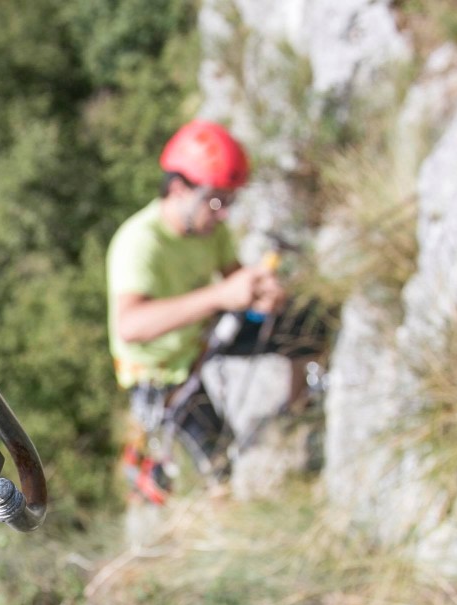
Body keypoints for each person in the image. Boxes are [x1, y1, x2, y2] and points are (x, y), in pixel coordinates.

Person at [106, 120, 323, 504]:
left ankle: (296, 415)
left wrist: (261, 292)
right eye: (217, 200)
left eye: (230, 201)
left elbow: (232, 279)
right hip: (163, 374)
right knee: (220, 469)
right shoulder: (139, 243)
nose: (224, 214)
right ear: (178, 189)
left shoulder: (209, 228)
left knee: (307, 325)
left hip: (204, 337)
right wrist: (220, 295)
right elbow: (131, 325)